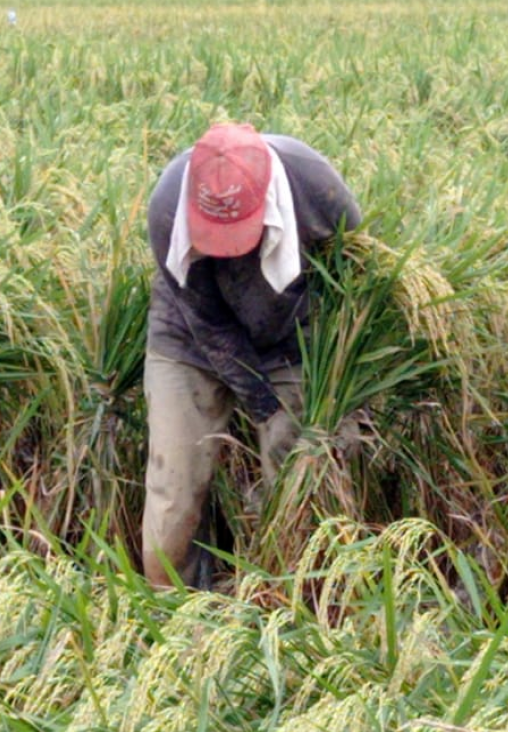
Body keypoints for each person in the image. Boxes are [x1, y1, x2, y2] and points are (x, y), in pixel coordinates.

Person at [141, 122, 363, 589]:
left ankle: (288, 595)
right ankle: (168, 608)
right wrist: (262, 405)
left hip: (291, 336)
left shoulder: (312, 182)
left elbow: (356, 267)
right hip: (189, 339)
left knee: (296, 474)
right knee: (174, 487)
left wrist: (317, 383)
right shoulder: (168, 205)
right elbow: (210, 324)